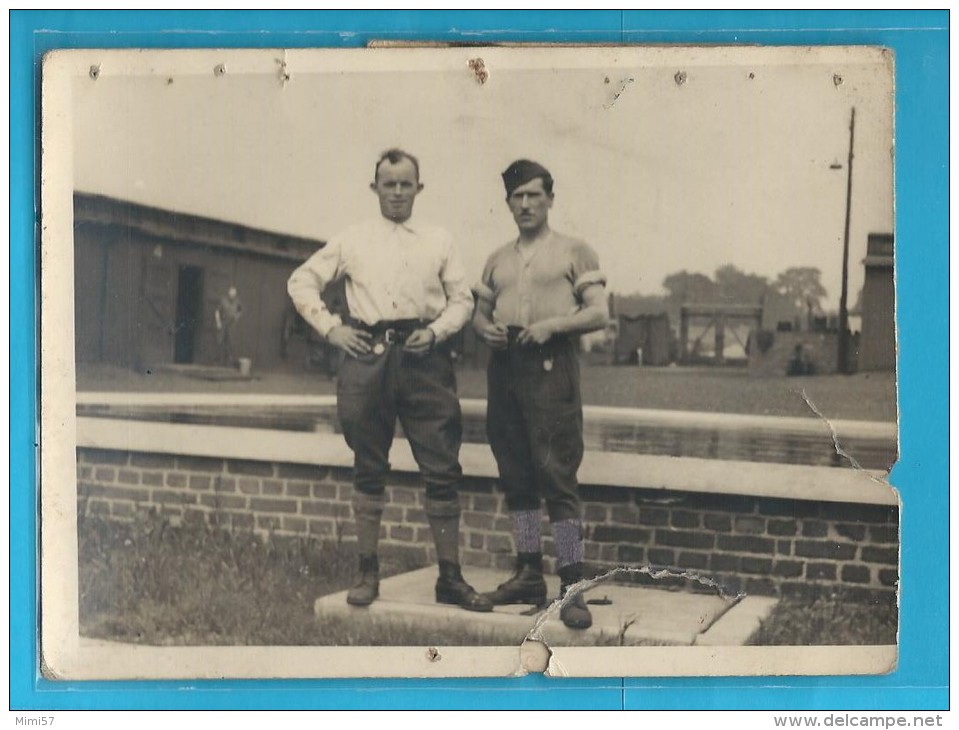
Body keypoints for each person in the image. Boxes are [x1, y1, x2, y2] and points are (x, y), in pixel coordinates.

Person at [287, 149, 491, 613]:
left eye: (406, 184)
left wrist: (436, 331)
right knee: (368, 463)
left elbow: (462, 299)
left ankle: (450, 577)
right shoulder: (353, 239)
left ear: (420, 188)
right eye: (388, 184)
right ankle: (367, 571)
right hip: (368, 356)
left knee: (441, 465)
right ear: (374, 187)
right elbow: (302, 281)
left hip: (425, 358)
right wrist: (333, 328)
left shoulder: (438, 240)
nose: (397, 193)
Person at [472, 159, 609, 629]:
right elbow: (479, 313)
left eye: (534, 195)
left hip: (552, 366)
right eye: (517, 197)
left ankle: (572, 585)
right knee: (516, 476)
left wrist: (553, 325)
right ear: (507, 203)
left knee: (558, 476)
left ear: (550, 198)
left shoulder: (575, 251)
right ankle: (529, 573)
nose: (526, 204)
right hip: (505, 368)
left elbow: (598, 313)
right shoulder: (497, 258)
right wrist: (484, 331)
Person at [215, 285, 243, 366]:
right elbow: (217, 311)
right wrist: (218, 322)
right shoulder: (223, 300)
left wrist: (236, 317)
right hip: (223, 322)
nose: (232, 296)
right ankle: (218, 362)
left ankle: (228, 363)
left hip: (231, 324)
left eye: (234, 294)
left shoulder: (237, 301)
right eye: (231, 294)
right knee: (220, 341)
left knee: (230, 343)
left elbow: (240, 311)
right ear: (228, 293)